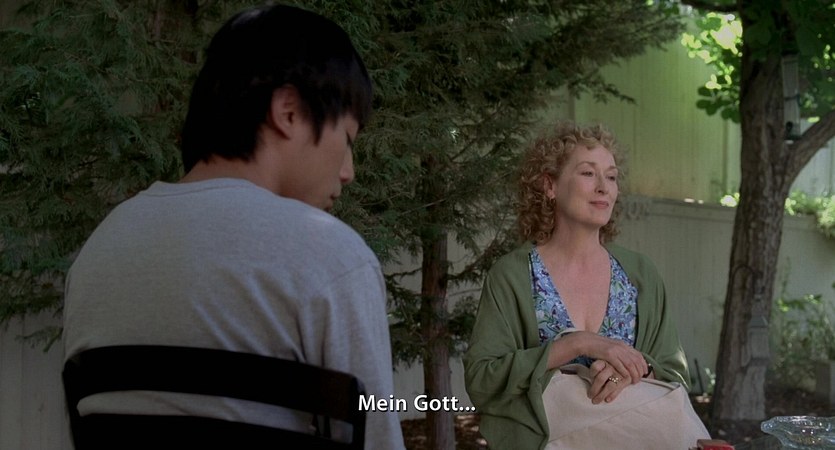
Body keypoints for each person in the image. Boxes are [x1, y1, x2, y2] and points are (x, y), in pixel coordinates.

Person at [62, 4, 405, 449]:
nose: (348, 172)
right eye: (347, 140)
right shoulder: (331, 255)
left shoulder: (99, 252)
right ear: (289, 112)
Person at [463, 122, 691, 450]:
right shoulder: (512, 275)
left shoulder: (641, 274)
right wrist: (577, 344)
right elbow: (482, 379)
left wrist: (631, 370)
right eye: (588, 173)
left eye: (611, 177)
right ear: (550, 185)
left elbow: (675, 375)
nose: (603, 188)